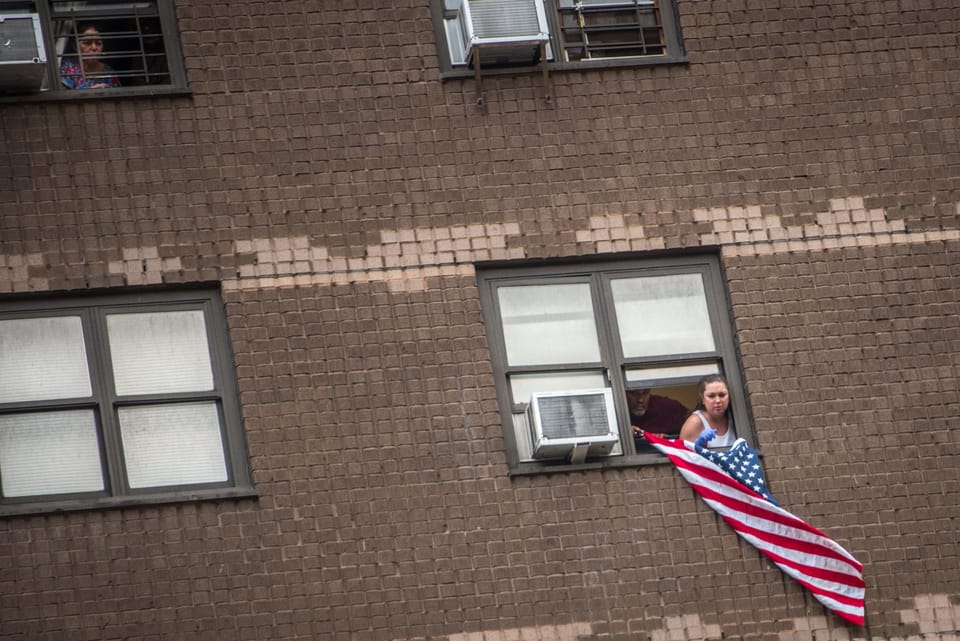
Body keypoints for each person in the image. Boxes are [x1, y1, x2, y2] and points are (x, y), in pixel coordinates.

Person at [678, 374, 737, 448]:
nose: (718, 400)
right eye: (711, 396)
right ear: (702, 399)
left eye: (722, 395)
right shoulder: (694, 422)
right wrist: (698, 446)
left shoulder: (736, 417)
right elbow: (683, 455)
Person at [60, 23, 122, 90]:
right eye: (87, 43)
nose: (94, 47)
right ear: (75, 46)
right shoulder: (68, 68)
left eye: (98, 43)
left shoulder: (109, 72)